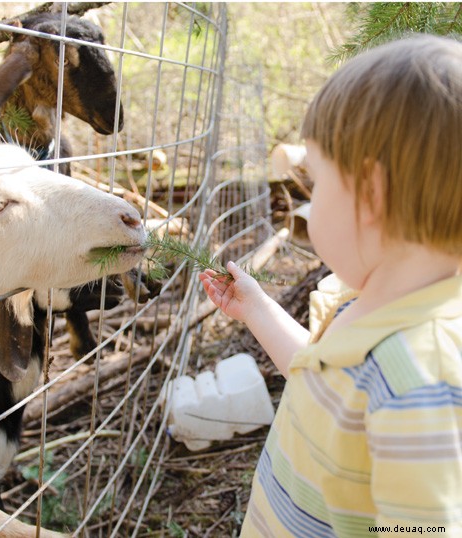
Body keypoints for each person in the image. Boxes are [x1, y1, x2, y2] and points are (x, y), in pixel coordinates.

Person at [199, 34, 462, 537]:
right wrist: (257, 309)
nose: (308, 204)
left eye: (317, 185)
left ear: (371, 194)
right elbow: (320, 381)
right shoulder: (368, 307)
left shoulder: (421, 379)